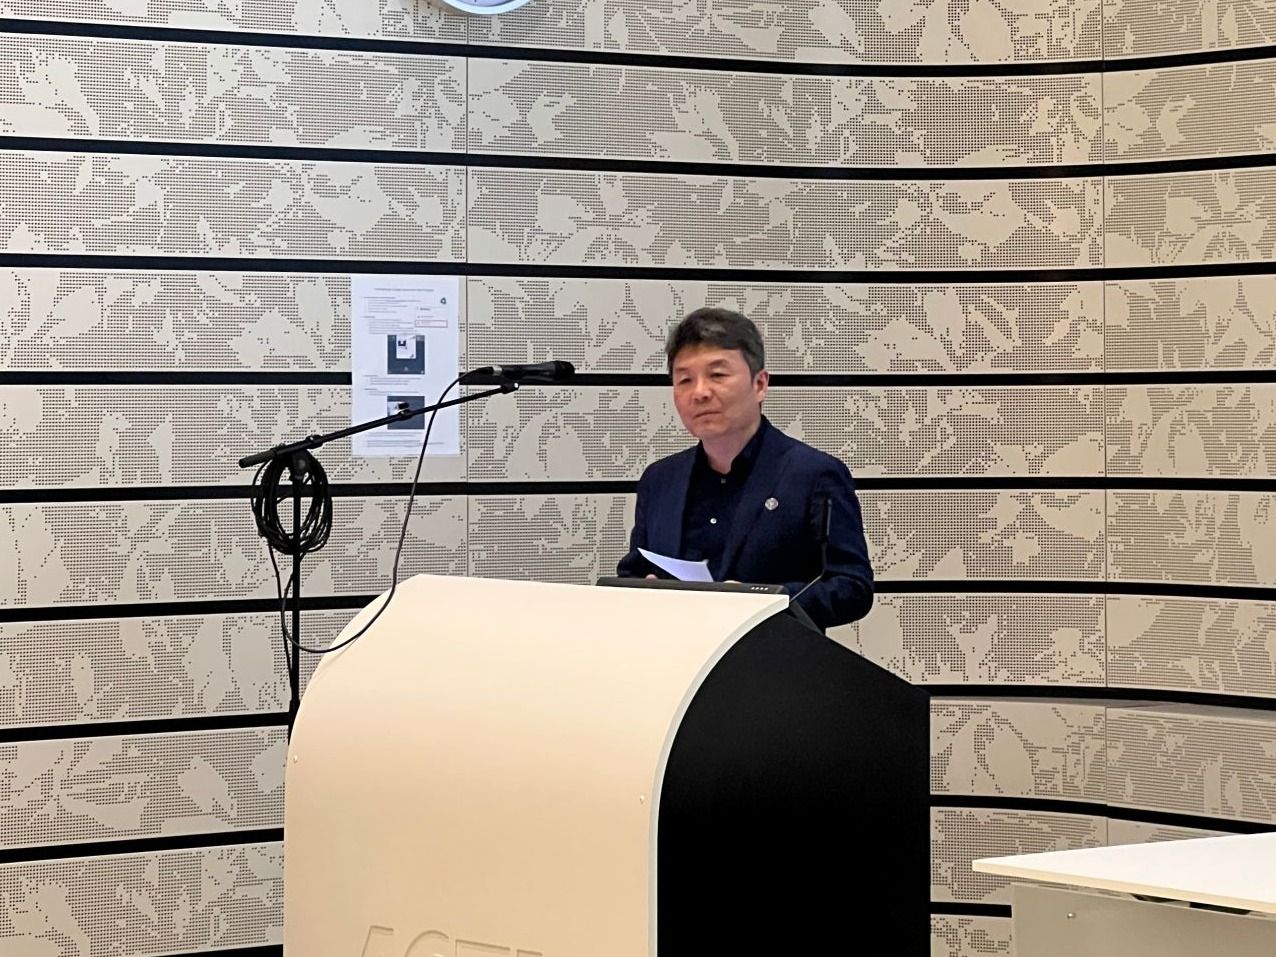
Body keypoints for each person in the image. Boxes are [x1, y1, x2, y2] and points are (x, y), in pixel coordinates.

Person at [616, 307, 874, 631]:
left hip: (772, 655)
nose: (700, 392)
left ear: (760, 384)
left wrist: (760, 601)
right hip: (677, 652)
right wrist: (644, 591)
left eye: (717, 375)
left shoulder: (813, 474)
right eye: (684, 380)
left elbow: (852, 588)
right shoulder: (660, 480)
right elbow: (634, 571)